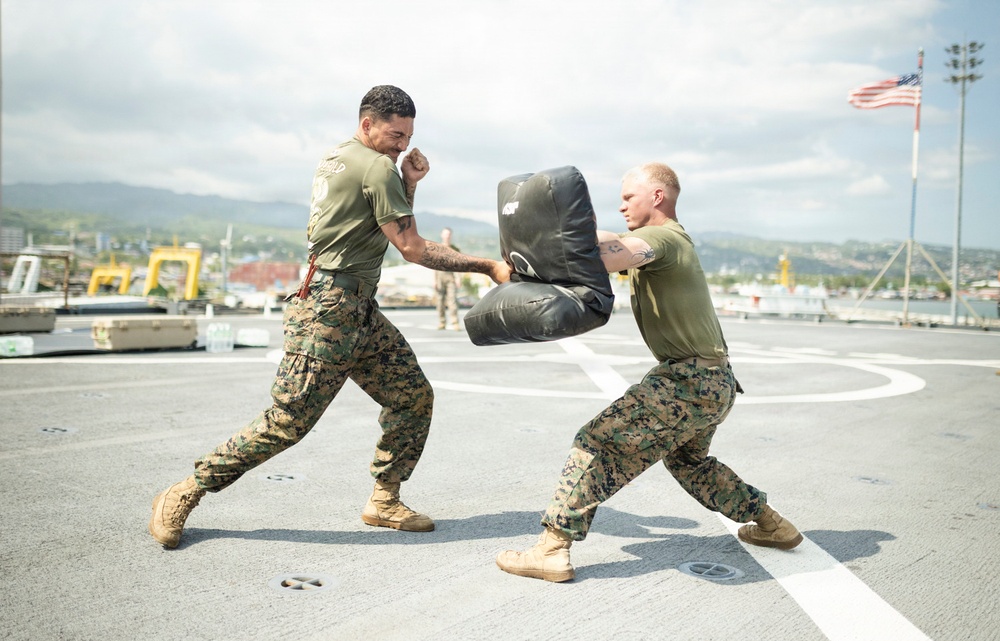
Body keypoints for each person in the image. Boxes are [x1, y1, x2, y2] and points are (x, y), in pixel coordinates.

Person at [149, 85, 510, 549]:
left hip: (356, 308)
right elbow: (412, 247)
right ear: (368, 124)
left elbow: (386, 228)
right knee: (288, 421)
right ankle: (186, 490)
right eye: (396, 134)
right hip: (329, 311)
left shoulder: (341, 157)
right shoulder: (376, 167)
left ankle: (384, 498)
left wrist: (410, 183)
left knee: (412, 396)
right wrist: (488, 266)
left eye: (409, 136)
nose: (403, 145)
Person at [496, 162, 802, 582]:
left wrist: (540, 260)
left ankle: (552, 548)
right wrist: (544, 234)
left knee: (596, 441)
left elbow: (610, 255)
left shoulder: (660, 239)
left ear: (657, 197)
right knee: (689, 462)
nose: (621, 205)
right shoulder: (668, 239)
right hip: (716, 382)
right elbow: (604, 239)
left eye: (628, 197)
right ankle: (772, 525)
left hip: (687, 382)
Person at [434, 227, 461, 330]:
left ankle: (455, 322)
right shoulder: (437, 248)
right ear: (442, 235)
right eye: (445, 234)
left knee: (452, 300)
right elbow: (433, 265)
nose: (447, 236)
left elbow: (459, 265)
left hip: (451, 276)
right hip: (440, 275)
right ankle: (442, 322)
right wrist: (435, 280)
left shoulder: (455, 249)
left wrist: (458, 278)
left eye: (449, 234)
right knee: (440, 301)